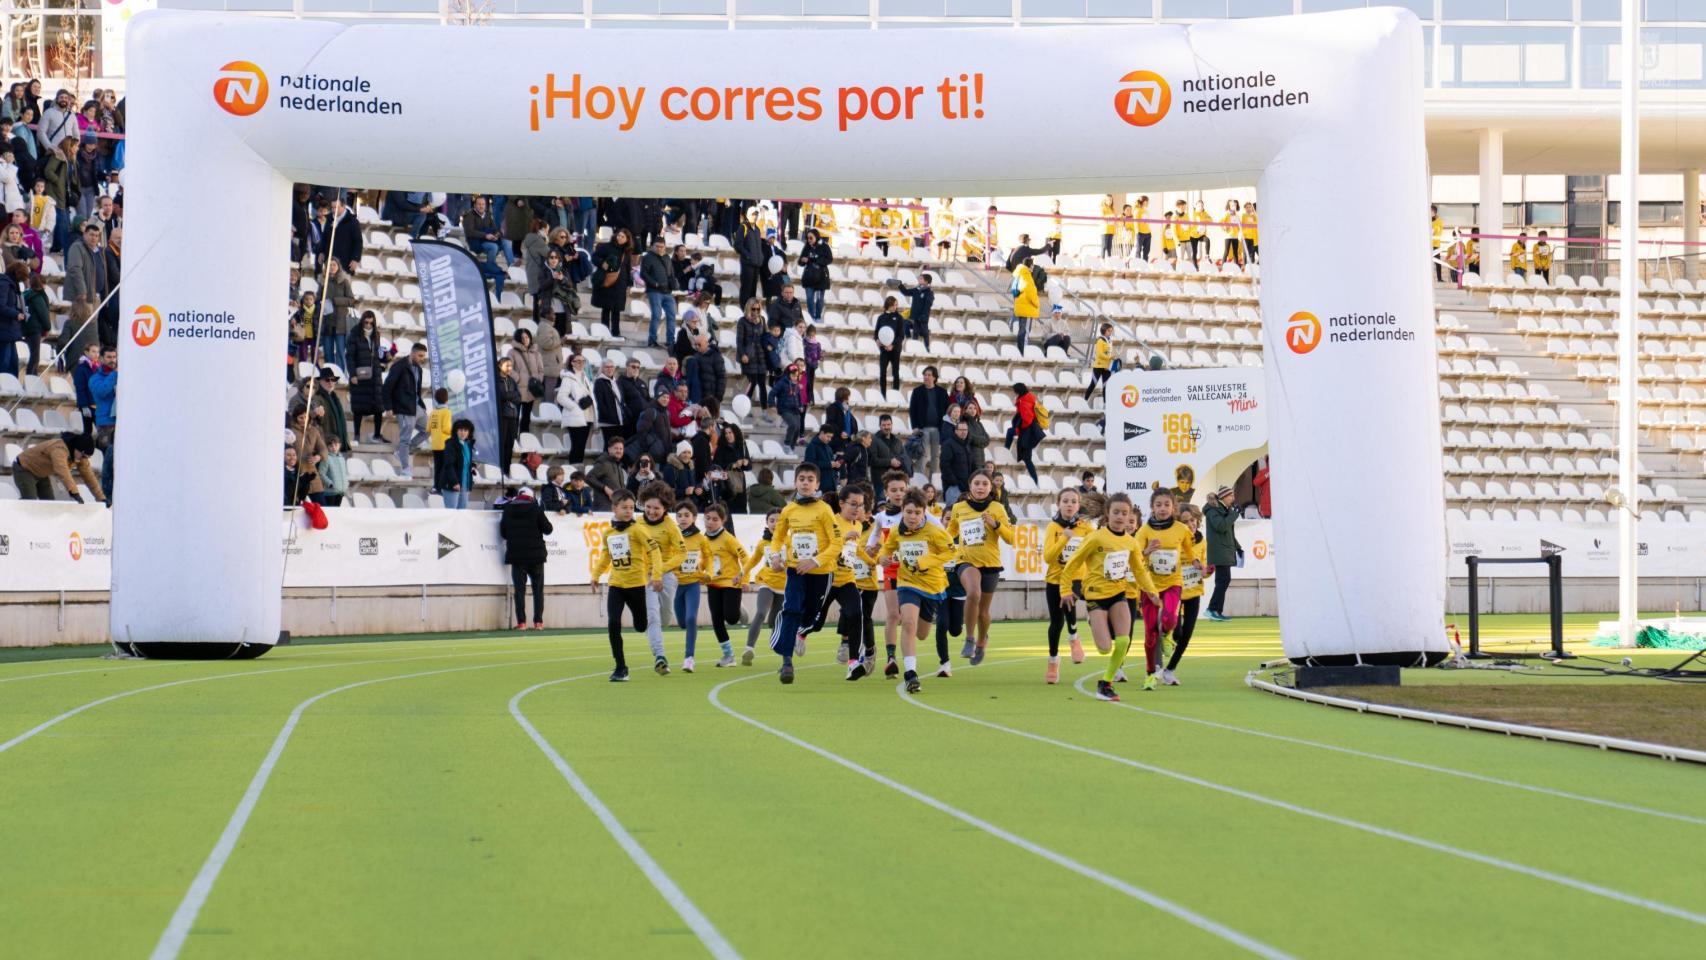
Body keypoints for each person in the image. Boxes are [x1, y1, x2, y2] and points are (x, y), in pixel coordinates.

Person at [1063, 493, 1158, 703]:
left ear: (1129, 516)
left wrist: (1151, 591)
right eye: (1116, 512)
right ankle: (1094, 619)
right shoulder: (1095, 538)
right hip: (1096, 596)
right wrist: (1065, 591)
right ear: (1107, 513)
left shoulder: (1130, 542)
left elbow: (1139, 570)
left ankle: (1105, 683)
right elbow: (1072, 564)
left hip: (1118, 594)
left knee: (1124, 641)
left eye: (1124, 513)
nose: (1120, 517)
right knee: (1105, 648)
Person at [874, 489, 954, 694]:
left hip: (932, 585)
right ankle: (911, 674)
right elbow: (886, 548)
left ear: (924, 513)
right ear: (903, 510)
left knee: (922, 634)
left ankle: (924, 623)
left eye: (917, 513)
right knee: (908, 622)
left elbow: (951, 551)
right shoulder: (895, 531)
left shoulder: (934, 531)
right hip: (907, 583)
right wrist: (882, 557)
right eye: (909, 512)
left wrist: (924, 562)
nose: (912, 517)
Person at [766, 463, 839, 684]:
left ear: (817, 484)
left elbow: (837, 543)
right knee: (792, 610)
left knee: (812, 618)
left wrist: (814, 561)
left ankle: (798, 632)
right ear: (795, 482)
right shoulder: (788, 510)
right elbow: (777, 537)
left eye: (810, 479)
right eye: (802, 479)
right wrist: (776, 556)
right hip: (795, 569)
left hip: (821, 572)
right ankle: (786, 663)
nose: (805, 482)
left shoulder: (824, 510)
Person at [945, 470, 1015, 666]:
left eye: (985, 483)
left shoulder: (997, 508)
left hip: (991, 564)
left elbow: (1010, 538)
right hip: (966, 560)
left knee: (983, 613)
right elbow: (950, 533)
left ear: (991, 487)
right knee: (973, 593)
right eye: (977, 483)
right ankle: (969, 638)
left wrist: (996, 524)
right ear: (970, 486)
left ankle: (982, 640)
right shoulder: (959, 508)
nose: (980, 487)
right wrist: (941, 544)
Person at [592, 490, 663, 682]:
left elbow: (654, 551)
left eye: (632, 508)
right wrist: (596, 575)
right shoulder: (609, 532)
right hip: (616, 585)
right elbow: (606, 556)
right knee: (613, 623)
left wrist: (656, 575)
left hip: (636, 585)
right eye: (624, 508)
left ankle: (642, 622)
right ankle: (621, 667)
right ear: (614, 508)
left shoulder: (638, 530)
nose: (629, 511)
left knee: (641, 626)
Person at [803, 485, 871, 680]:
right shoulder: (832, 522)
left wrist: (871, 561)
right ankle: (801, 634)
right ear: (841, 504)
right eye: (853, 504)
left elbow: (855, 549)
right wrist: (843, 538)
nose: (857, 509)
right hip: (828, 578)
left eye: (861, 505)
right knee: (816, 622)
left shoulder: (858, 525)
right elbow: (826, 548)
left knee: (855, 614)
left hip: (847, 580)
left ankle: (853, 663)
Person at [1135, 488, 1197, 692]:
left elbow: (1189, 548)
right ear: (1152, 507)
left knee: (1170, 619)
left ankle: (1168, 634)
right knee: (1150, 631)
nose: (1162, 509)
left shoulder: (1181, 529)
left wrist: (1196, 561)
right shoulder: (1144, 531)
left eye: (1166, 505)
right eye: (1158, 505)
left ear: (1173, 507)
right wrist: (1146, 551)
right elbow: (1135, 557)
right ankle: (1150, 674)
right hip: (1150, 586)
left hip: (1173, 582)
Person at [1043, 488, 1093, 684]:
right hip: (1055, 578)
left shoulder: (1087, 528)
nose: (1070, 504)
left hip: (1076, 579)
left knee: (1069, 600)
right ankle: (1053, 661)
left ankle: (1073, 637)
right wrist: (1065, 537)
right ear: (1059, 504)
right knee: (1056, 624)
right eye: (1066, 501)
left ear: (1078, 505)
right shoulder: (1053, 527)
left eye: (1073, 501)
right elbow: (1048, 557)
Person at [639, 481, 686, 674]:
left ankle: (662, 625)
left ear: (665, 508)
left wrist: (661, 569)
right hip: (646, 577)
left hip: (666, 576)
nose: (651, 511)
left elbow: (681, 554)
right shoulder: (638, 524)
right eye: (648, 507)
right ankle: (659, 655)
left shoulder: (671, 526)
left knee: (665, 617)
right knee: (652, 615)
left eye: (656, 508)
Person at [1164, 503, 1207, 685]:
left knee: (1187, 634)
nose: (1191, 524)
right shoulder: (1175, 541)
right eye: (1186, 521)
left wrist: (1206, 570)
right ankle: (1165, 637)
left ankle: (1170, 670)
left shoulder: (1202, 540)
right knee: (1177, 631)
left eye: (1193, 519)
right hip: (1175, 590)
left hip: (1193, 592)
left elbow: (1203, 566)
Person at [740, 508, 787, 664]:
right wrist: (741, 574)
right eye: (771, 520)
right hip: (766, 582)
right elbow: (752, 561)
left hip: (784, 586)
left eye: (778, 520)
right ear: (767, 523)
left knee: (775, 621)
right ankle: (749, 648)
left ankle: (778, 645)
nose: (775, 523)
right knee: (760, 612)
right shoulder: (763, 543)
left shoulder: (790, 540)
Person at [672, 500, 710, 672]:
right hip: (675, 585)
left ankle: (689, 658)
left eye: (687, 515)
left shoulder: (701, 538)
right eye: (679, 515)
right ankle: (689, 631)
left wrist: (706, 571)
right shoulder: (672, 536)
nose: (683, 519)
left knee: (691, 618)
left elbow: (708, 557)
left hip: (693, 584)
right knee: (682, 622)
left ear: (694, 518)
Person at [383, 342, 430, 477]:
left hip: (417, 408)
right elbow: (387, 387)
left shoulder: (419, 369)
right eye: (420, 355)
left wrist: (421, 406)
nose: (422, 358)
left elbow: (417, 390)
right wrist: (389, 407)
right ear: (412, 353)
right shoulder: (399, 366)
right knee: (405, 438)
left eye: (423, 356)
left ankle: (402, 452)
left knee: (429, 429)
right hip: (404, 408)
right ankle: (405, 467)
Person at [13, 431, 101, 502]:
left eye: (87, 457)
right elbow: (62, 471)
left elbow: (89, 476)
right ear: (77, 449)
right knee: (30, 500)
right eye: (84, 456)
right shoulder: (59, 449)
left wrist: (101, 498)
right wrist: (74, 492)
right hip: (24, 468)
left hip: (41, 473)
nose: (84, 459)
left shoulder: (79, 456)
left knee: (49, 503)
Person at [346, 311, 386, 443]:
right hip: (360, 375)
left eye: (371, 322)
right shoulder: (354, 334)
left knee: (379, 406)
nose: (368, 325)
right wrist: (352, 374)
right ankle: (357, 435)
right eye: (366, 322)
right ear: (362, 321)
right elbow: (350, 356)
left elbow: (378, 354)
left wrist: (385, 360)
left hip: (375, 375)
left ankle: (377, 434)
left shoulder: (376, 335)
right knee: (359, 407)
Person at [1203, 485, 1240, 621]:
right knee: (1223, 580)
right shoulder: (1214, 509)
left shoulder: (1223, 509)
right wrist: (1234, 514)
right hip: (1219, 551)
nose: (1233, 498)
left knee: (1223, 580)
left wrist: (1237, 546)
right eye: (1231, 496)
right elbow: (1221, 526)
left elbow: (1228, 532)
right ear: (1224, 497)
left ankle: (1216, 611)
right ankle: (1212, 609)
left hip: (1223, 550)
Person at [460, 195, 508, 299]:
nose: (481, 206)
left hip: (486, 240)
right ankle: (491, 268)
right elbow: (470, 232)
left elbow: (495, 228)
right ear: (475, 205)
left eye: (483, 204)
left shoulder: (487, 215)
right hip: (475, 243)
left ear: (485, 205)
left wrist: (497, 234)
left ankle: (507, 265)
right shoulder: (469, 216)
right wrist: (485, 235)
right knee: (493, 247)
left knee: (504, 242)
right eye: (479, 204)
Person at [591, 226, 635, 337]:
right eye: (619, 235)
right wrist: (602, 263)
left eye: (623, 237)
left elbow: (628, 268)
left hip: (620, 284)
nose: (620, 238)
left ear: (627, 239)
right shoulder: (606, 247)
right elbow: (594, 257)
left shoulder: (627, 251)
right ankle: (604, 332)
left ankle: (616, 333)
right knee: (606, 308)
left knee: (616, 310)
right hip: (607, 281)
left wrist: (629, 284)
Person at [908, 365, 947, 482]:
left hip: (938, 429)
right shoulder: (917, 391)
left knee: (936, 456)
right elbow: (912, 410)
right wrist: (915, 426)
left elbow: (946, 410)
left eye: (929, 375)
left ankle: (933, 481)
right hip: (922, 429)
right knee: (922, 456)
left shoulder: (942, 392)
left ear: (934, 377)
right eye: (925, 375)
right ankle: (919, 479)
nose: (926, 377)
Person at [556, 351, 595, 463]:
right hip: (575, 416)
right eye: (577, 361)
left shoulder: (585, 377)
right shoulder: (568, 378)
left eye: (583, 361)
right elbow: (561, 397)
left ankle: (578, 473)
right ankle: (573, 471)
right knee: (576, 446)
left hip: (587, 415)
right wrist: (575, 407)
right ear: (572, 363)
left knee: (582, 446)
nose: (581, 363)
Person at [639, 236, 677, 348]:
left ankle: (670, 341)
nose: (660, 249)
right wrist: (654, 283)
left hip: (667, 292)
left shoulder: (667, 257)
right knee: (656, 315)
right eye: (657, 246)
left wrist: (673, 284)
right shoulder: (647, 257)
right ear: (652, 246)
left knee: (672, 316)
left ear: (665, 247)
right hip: (654, 291)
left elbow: (671, 273)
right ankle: (652, 340)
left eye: (662, 247)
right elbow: (643, 274)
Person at [507, 329, 544, 435]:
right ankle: (513, 440)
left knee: (526, 418)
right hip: (518, 390)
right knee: (515, 417)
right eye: (522, 338)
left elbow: (541, 370)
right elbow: (508, 368)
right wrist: (518, 378)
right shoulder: (512, 352)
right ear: (518, 339)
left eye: (527, 337)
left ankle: (524, 441)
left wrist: (538, 380)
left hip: (531, 391)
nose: (525, 340)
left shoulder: (536, 353)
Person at [736, 298, 769, 413]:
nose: (756, 311)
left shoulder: (763, 320)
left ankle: (765, 411)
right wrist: (742, 354)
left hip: (761, 356)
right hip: (749, 356)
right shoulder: (742, 321)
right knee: (753, 382)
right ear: (748, 308)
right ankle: (744, 408)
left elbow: (766, 337)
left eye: (758, 309)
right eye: (753, 309)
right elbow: (739, 341)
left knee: (762, 384)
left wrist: (770, 347)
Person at [436, 419, 476, 509]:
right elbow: (448, 465)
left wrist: (472, 466)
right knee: (452, 511)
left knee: (462, 511)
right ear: (456, 431)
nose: (463, 433)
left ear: (469, 432)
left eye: (465, 430)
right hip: (452, 483)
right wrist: (454, 482)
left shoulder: (468, 444)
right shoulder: (451, 444)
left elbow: (466, 461)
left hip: (465, 482)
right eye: (460, 430)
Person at [1011, 383, 1044, 483]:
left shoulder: (1024, 402)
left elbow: (1027, 419)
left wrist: (1020, 426)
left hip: (1027, 431)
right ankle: (1029, 479)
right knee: (1024, 456)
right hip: (1029, 431)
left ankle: (1034, 479)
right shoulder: (1029, 399)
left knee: (1026, 458)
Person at [797, 228, 832, 320]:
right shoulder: (807, 246)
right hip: (809, 277)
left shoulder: (824, 246)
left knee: (820, 299)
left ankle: (818, 316)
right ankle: (811, 317)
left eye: (811, 238)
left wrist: (814, 260)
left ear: (816, 237)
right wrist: (802, 260)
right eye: (807, 238)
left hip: (821, 277)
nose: (809, 240)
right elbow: (800, 262)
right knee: (809, 298)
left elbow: (829, 259)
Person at [874, 295, 906, 397]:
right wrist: (877, 340)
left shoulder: (899, 318)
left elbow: (901, 335)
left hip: (895, 349)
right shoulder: (881, 318)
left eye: (896, 305)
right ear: (888, 305)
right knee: (882, 372)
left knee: (895, 372)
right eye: (893, 305)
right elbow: (876, 333)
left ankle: (895, 393)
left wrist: (892, 345)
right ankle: (883, 394)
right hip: (884, 349)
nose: (895, 307)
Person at [588, 437, 630, 510]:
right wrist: (605, 488)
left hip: (615, 506)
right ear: (609, 449)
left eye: (621, 449)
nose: (619, 451)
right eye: (616, 448)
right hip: (604, 507)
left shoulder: (618, 465)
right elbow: (589, 477)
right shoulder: (603, 463)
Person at [770, 363, 806, 447]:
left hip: (795, 410)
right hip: (785, 409)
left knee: (797, 428)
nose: (795, 377)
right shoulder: (781, 383)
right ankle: (787, 444)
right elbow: (772, 394)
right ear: (788, 374)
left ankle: (792, 447)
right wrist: (772, 405)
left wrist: (800, 405)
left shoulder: (796, 384)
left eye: (796, 375)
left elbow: (798, 396)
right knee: (792, 425)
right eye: (793, 375)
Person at [685, 334, 725, 407]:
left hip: (711, 397)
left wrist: (718, 397)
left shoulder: (716, 356)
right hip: (698, 396)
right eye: (695, 345)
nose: (697, 347)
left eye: (699, 344)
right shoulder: (695, 356)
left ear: (706, 343)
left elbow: (721, 377)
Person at [896, 273, 935, 349]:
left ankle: (927, 348)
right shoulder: (916, 290)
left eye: (921, 279)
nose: (919, 280)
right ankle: (914, 349)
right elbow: (906, 292)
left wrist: (923, 316)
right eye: (919, 278)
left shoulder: (929, 292)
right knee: (914, 334)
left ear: (926, 281)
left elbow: (927, 306)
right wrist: (900, 285)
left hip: (922, 318)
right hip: (914, 317)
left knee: (925, 334)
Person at [1010, 256, 1040, 353]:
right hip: (1027, 307)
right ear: (1030, 265)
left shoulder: (1019, 273)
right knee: (1025, 331)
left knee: (1021, 329)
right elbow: (1030, 291)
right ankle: (1023, 351)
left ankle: (1020, 350)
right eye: (1032, 265)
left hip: (1021, 306)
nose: (1033, 268)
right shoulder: (1026, 275)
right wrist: (1036, 304)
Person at [427, 387, 452, 494]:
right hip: (444, 444)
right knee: (444, 467)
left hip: (435, 444)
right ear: (447, 399)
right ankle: (441, 487)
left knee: (438, 467)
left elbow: (428, 428)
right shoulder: (446, 412)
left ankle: (436, 486)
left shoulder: (433, 412)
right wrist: (454, 431)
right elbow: (446, 428)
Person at [803, 423, 839, 488]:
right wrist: (829, 464)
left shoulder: (828, 447)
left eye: (831, 437)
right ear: (822, 433)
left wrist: (836, 465)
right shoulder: (812, 446)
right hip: (819, 485)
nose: (829, 439)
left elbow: (831, 464)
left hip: (831, 484)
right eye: (828, 436)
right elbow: (809, 464)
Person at [1087, 322, 1114, 402]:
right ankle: (1085, 400)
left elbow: (1109, 352)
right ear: (1104, 330)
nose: (1110, 332)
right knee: (1093, 384)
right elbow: (1100, 354)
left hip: (1106, 367)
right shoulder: (1100, 340)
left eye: (1111, 331)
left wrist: (1112, 357)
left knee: (1106, 386)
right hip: (1098, 366)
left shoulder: (1109, 341)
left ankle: (1105, 404)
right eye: (1109, 331)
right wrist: (1110, 357)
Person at [1099, 193, 1117, 257]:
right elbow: (1103, 218)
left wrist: (1115, 219)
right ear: (1105, 200)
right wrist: (1110, 219)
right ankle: (1102, 260)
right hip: (1105, 230)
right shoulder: (1102, 208)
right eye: (1108, 200)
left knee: (1109, 247)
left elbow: (1115, 219)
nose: (1110, 201)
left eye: (1111, 200)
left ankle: (1109, 260)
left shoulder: (1112, 209)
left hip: (1111, 230)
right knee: (1104, 246)